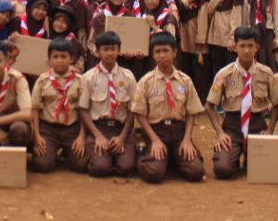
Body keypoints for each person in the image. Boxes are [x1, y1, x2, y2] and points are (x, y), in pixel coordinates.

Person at [206, 27, 278, 179]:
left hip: (257, 126)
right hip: (232, 128)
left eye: (250, 46)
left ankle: (249, 158)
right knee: (223, 169)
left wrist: (269, 131)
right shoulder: (224, 74)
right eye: (242, 46)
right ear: (235, 47)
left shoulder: (266, 73)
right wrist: (221, 133)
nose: (246, 50)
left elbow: (276, 105)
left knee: (263, 170)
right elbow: (209, 106)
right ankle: (233, 156)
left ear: (257, 47)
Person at [132, 33, 205, 183]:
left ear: (175, 52)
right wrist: (155, 140)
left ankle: (173, 159)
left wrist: (187, 140)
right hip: (156, 131)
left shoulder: (185, 80)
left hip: (179, 132)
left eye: (166, 51)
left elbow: (191, 112)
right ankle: (144, 156)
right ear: (153, 55)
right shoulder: (146, 82)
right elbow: (140, 114)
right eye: (157, 52)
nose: (162, 56)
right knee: (154, 173)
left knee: (196, 171)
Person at [78, 31, 137, 178]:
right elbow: (83, 109)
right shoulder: (88, 77)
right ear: (97, 52)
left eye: (113, 49)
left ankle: (118, 155)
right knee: (100, 168)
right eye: (105, 49)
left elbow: (133, 109)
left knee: (126, 168)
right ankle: (100, 156)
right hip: (99, 128)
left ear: (119, 51)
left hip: (121, 128)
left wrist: (122, 137)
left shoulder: (128, 76)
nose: (109, 53)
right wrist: (98, 136)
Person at [30, 39, 89, 173]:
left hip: (72, 129)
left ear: (71, 59)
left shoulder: (80, 81)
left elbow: (84, 110)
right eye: (55, 57)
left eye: (64, 56)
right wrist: (37, 136)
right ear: (49, 60)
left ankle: (67, 153)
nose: (59, 60)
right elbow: (35, 109)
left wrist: (81, 136)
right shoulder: (42, 80)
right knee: (41, 164)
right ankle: (53, 154)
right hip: (48, 129)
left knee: (82, 164)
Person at [198, 0, 242, 83]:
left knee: (230, 64)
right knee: (216, 65)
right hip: (214, 33)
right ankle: (218, 90)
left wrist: (233, 36)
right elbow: (209, 9)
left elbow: (237, 14)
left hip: (228, 32)